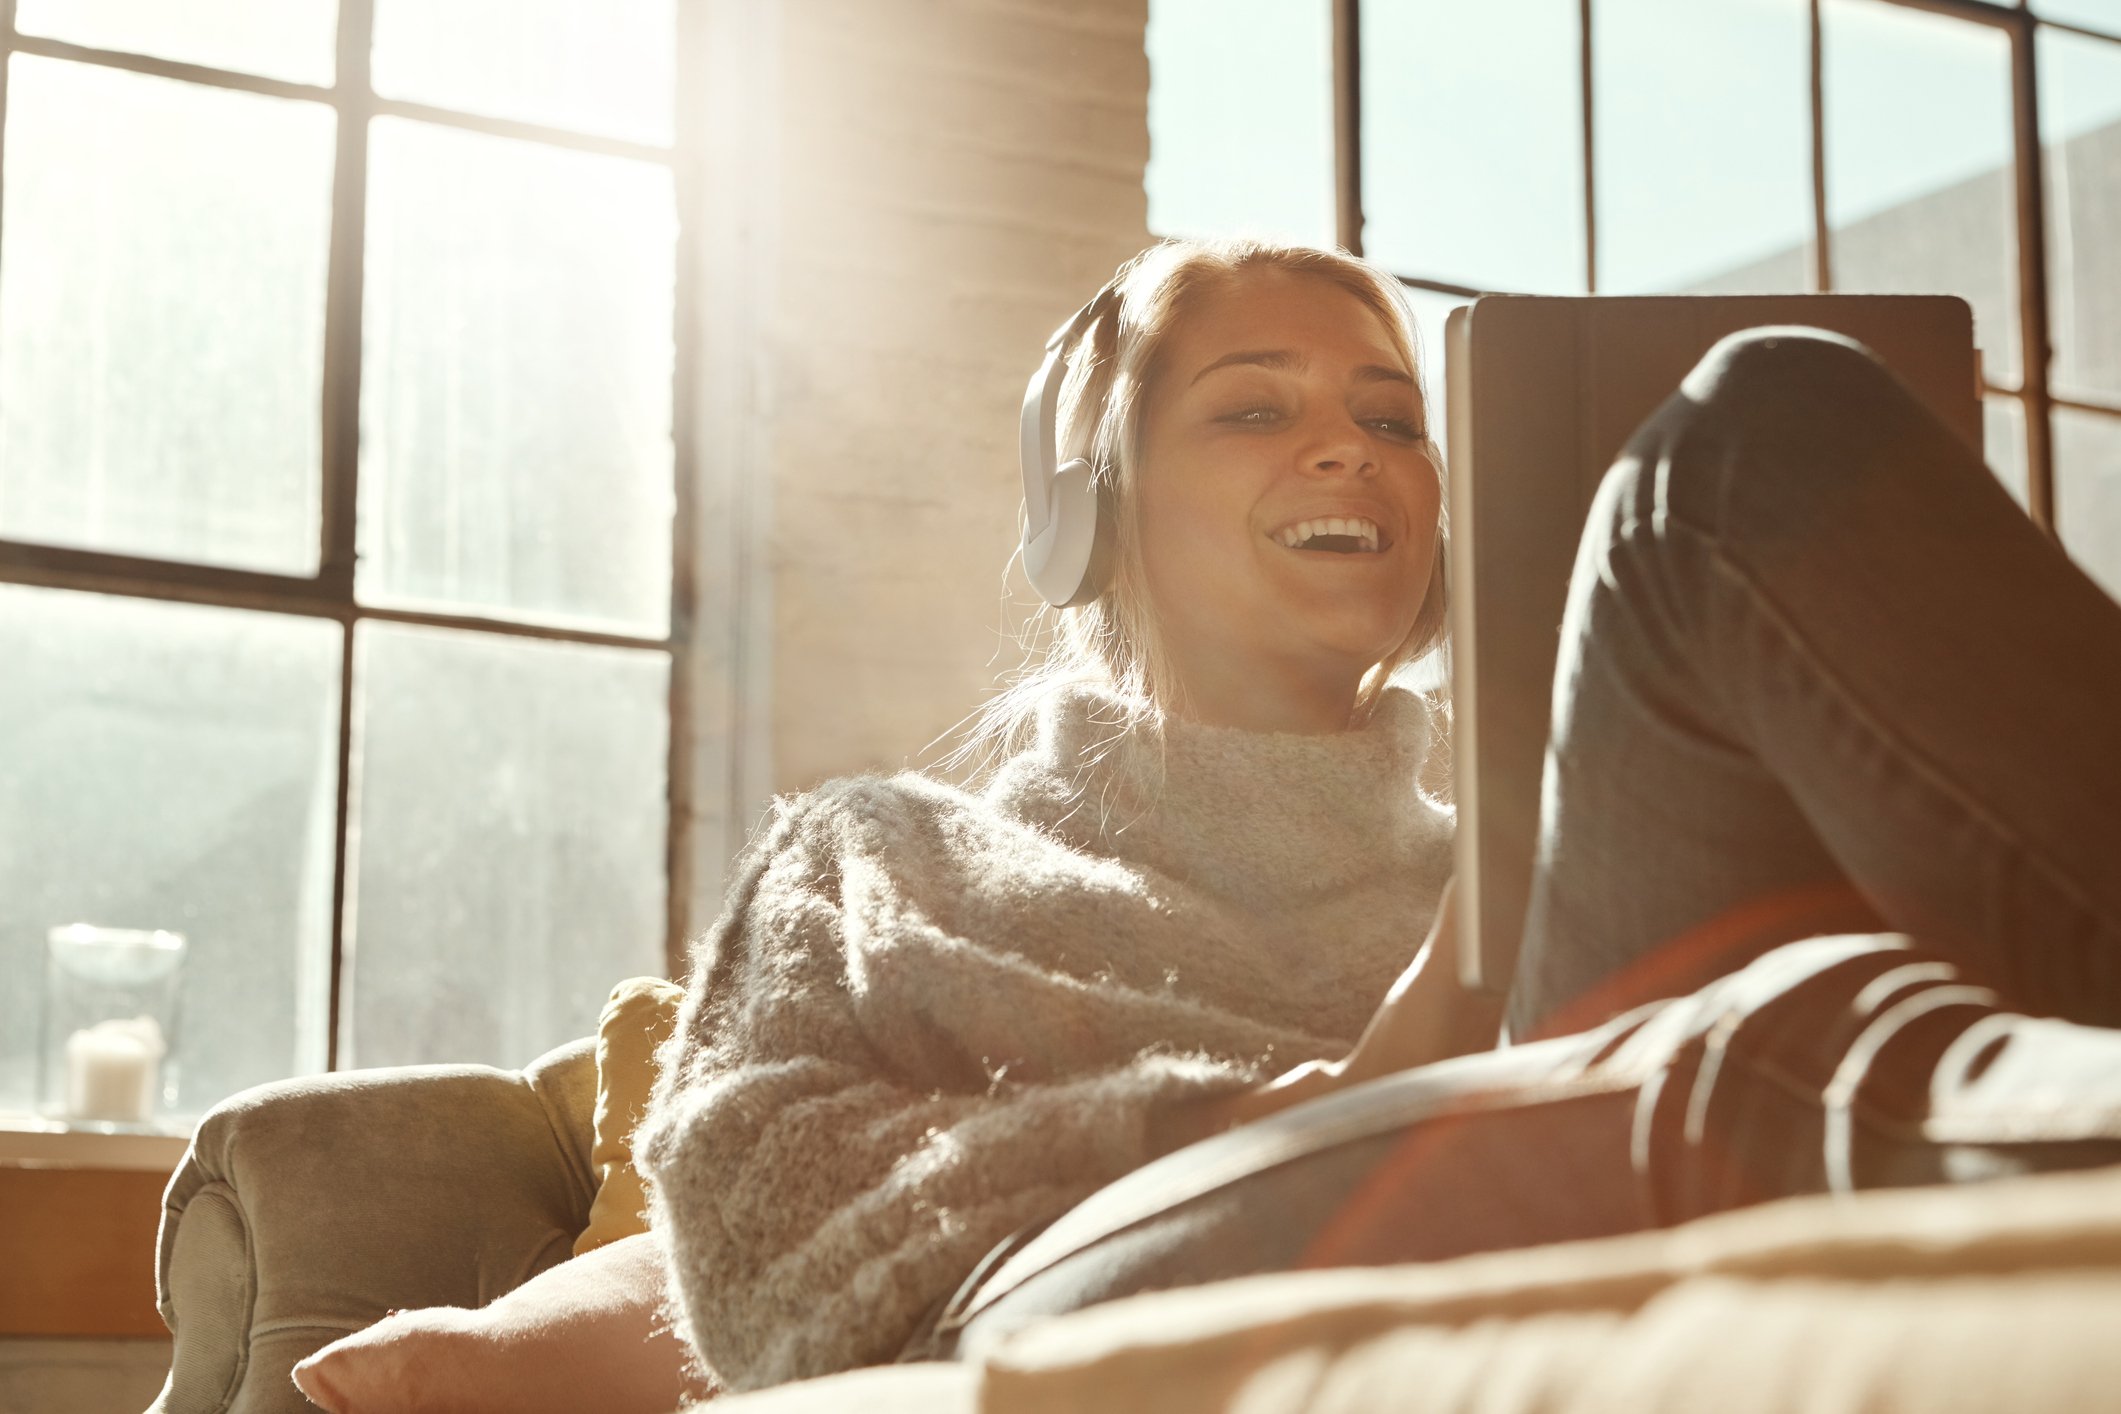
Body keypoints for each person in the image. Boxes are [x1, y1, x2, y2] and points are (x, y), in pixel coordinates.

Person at [307, 237, 2121, 1408]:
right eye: (1252, 408)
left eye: (1396, 419)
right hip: (1099, 1260)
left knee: (1759, 431)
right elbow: (771, 1261)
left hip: (1591, 1098)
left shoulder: (1536, 854)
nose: (1350, 451)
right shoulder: (878, 858)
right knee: (1725, 1011)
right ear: (1086, 514)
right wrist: (1337, 1086)